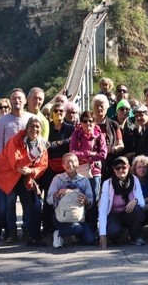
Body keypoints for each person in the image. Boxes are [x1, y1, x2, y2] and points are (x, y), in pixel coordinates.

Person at [0, 116, 49, 249]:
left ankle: (34, 237)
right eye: (32, 126)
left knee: (36, 204)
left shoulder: (42, 145)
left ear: (41, 129)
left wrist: (31, 172)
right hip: (2, 176)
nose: (34, 129)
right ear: (26, 129)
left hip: (22, 177)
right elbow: (16, 164)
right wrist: (33, 155)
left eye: (37, 127)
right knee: (2, 208)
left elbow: (43, 166)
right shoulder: (15, 140)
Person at [0, 88, 34, 242]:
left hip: (26, 167)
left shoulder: (31, 118)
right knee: (9, 201)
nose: (17, 101)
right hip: (8, 168)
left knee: (27, 201)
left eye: (19, 98)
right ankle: (11, 230)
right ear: (10, 101)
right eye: (14, 99)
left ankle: (26, 229)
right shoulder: (3, 121)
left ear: (25, 101)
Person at [46, 152, 95, 248]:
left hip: (78, 217)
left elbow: (91, 202)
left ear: (77, 163)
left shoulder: (84, 180)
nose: (70, 164)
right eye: (67, 162)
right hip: (61, 217)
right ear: (63, 165)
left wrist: (85, 201)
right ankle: (59, 233)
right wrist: (59, 192)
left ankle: (74, 233)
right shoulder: (58, 179)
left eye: (72, 161)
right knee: (76, 228)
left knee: (90, 240)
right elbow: (49, 200)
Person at [41, 102, 75, 235]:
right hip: (49, 167)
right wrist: (61, 143)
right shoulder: (47, 127)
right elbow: (44, 144)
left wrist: (55, 144)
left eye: (61, 111)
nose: (59, 113)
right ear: (51, 114)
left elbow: (70, 143)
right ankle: (47, 225)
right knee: (49, 196)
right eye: (56, 111)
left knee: (67, 195)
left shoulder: (70, 128)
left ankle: (66, 223)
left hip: (65, 167)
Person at [70, 110, 108, 229]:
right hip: (80, 171)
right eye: (85, 121)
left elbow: (103, 154)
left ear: (94, 122)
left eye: (90, 121)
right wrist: (89, 154)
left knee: (93, 200)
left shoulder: (99, 135)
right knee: (79, 199)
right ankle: (80, 226)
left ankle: (92, 228)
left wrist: (84, 155)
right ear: (81, 123)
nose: (88, 124)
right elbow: (72, 153)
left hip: (94, 172)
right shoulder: (76, 135)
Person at [98, 156, 146, 247]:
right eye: (117, 168)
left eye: (123, 167)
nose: (121, 170)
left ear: (128, 167)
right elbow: (103, 210)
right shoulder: (107, 184)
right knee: (113, 232)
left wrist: (135, 200)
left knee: (138, 210)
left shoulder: (135, 180)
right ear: (113, 169)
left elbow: (142, 202)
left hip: (128, 213)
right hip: (114, 215)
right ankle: (120, 233)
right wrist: (102, 235)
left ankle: (135, 236)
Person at [92, 94, 123, 181]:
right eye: (97, 106)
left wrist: (111, 149)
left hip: (110, 164)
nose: (99, 108)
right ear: (93, 108)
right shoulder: (88, 124)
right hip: (92, 165)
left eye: (102, 106)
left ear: (107, 108)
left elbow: (121, 144)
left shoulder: (114, 124)